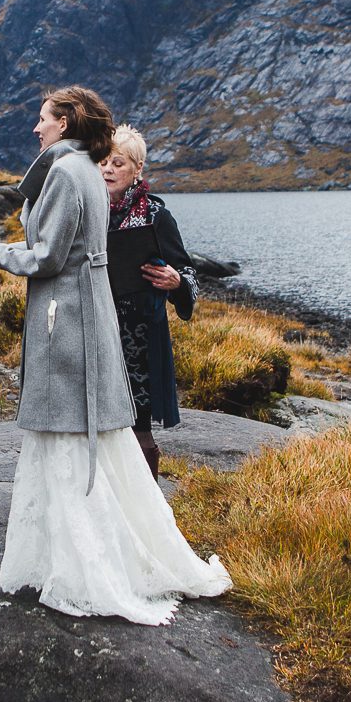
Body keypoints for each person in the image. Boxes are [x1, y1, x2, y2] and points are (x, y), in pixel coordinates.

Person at [0, 86, 230, 625]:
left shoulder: (69, 174)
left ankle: (83, 566)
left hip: (71, 319)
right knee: (94, 431)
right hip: (95, 315)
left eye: (42, 119)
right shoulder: (86, 171)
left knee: (70, 432)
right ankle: (75, 555)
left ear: (64, 123)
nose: (36, 129)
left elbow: (46, 255)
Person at [98, 124, 198, 478]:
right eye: (103, 162)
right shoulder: (89, 210)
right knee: (99, 424)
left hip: (140, 336)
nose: (108, 170)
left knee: (139, 425)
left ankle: (147, 507)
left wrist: (175, 282)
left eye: (118, 163)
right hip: (97, 328)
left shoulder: (156, 216)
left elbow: (187, 272)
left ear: (137, 169)